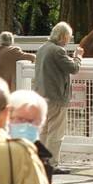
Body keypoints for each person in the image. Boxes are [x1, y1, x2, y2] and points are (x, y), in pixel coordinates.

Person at [33, 22, 83, 172]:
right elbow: (74, 68)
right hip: (55, 97)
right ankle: (52, 163)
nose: (69, 40)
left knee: (44, 131)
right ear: (62, 36)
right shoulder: (57, 51)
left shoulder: (42, 48)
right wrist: (78, 57)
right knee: (56, 132)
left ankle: (41, 161)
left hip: (41, 95)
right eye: (68, 37)